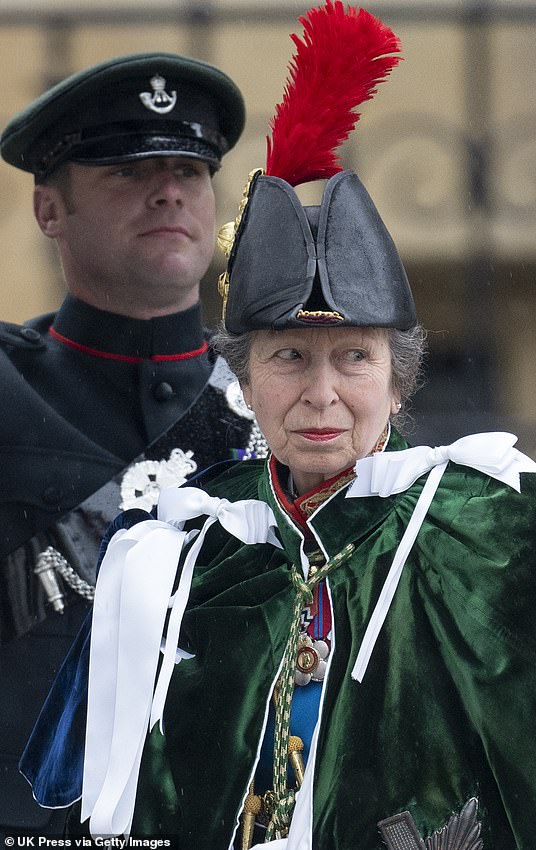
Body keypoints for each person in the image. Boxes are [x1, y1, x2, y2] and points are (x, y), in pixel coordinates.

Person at [20, 5, 536, 849]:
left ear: (398, 376)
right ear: (242, 375)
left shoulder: (489, 520)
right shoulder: (185, 550)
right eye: (287, 359)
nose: (322, 395)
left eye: (354, 358)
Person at [0, 52, 266, 836]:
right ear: (50, 210)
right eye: (128, 170)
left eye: (189, 167)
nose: (169, 189)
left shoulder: (289, 399)